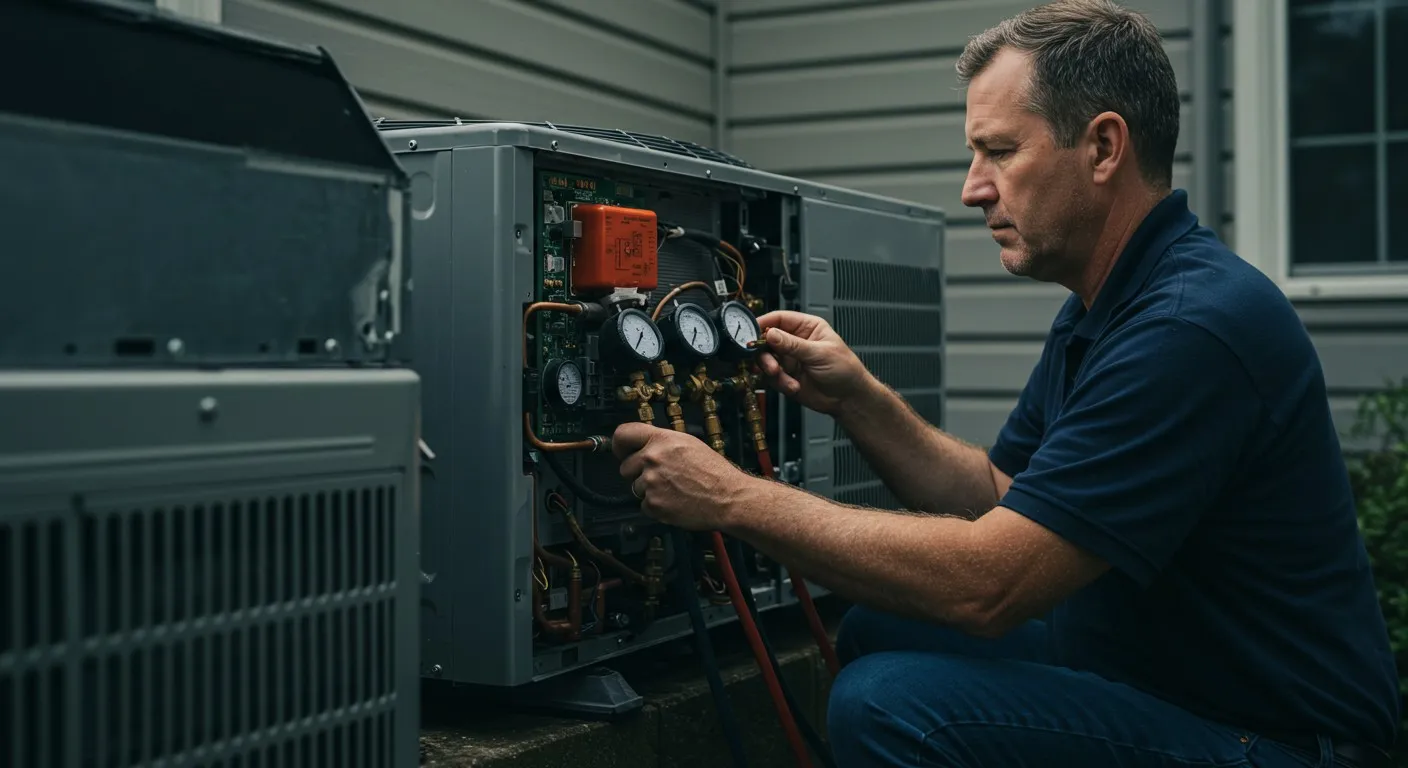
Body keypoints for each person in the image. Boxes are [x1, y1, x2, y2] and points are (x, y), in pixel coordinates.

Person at [611, 0, 1400, 765]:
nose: (972, 187)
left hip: (1280, 743)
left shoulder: (1190, 328)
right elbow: (998, 489)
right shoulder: (1113, 299)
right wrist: (857, 398)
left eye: (1000, 151)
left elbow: (989, 585)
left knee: (886, 703)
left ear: (1102, 148)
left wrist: (731, 497)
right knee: (879, 633)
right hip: (1168, 676)